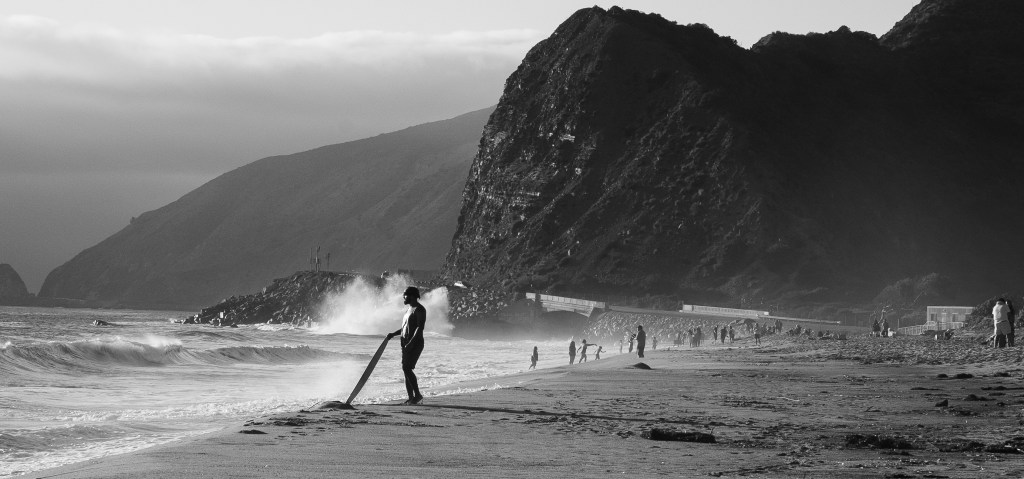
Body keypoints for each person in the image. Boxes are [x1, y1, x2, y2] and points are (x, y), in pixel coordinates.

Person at [387, 286, 426, 404]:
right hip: (405, 343)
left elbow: (420, 328)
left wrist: (411, 343)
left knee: (407, 368)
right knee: (405, 369)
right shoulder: (408, 310)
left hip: (415, 343)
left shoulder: (419, 309)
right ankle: (411, 398)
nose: (403, 297)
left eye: (405, 295)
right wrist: (393, 334)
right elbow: (405, 328)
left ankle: (417, 395)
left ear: (412, 296)